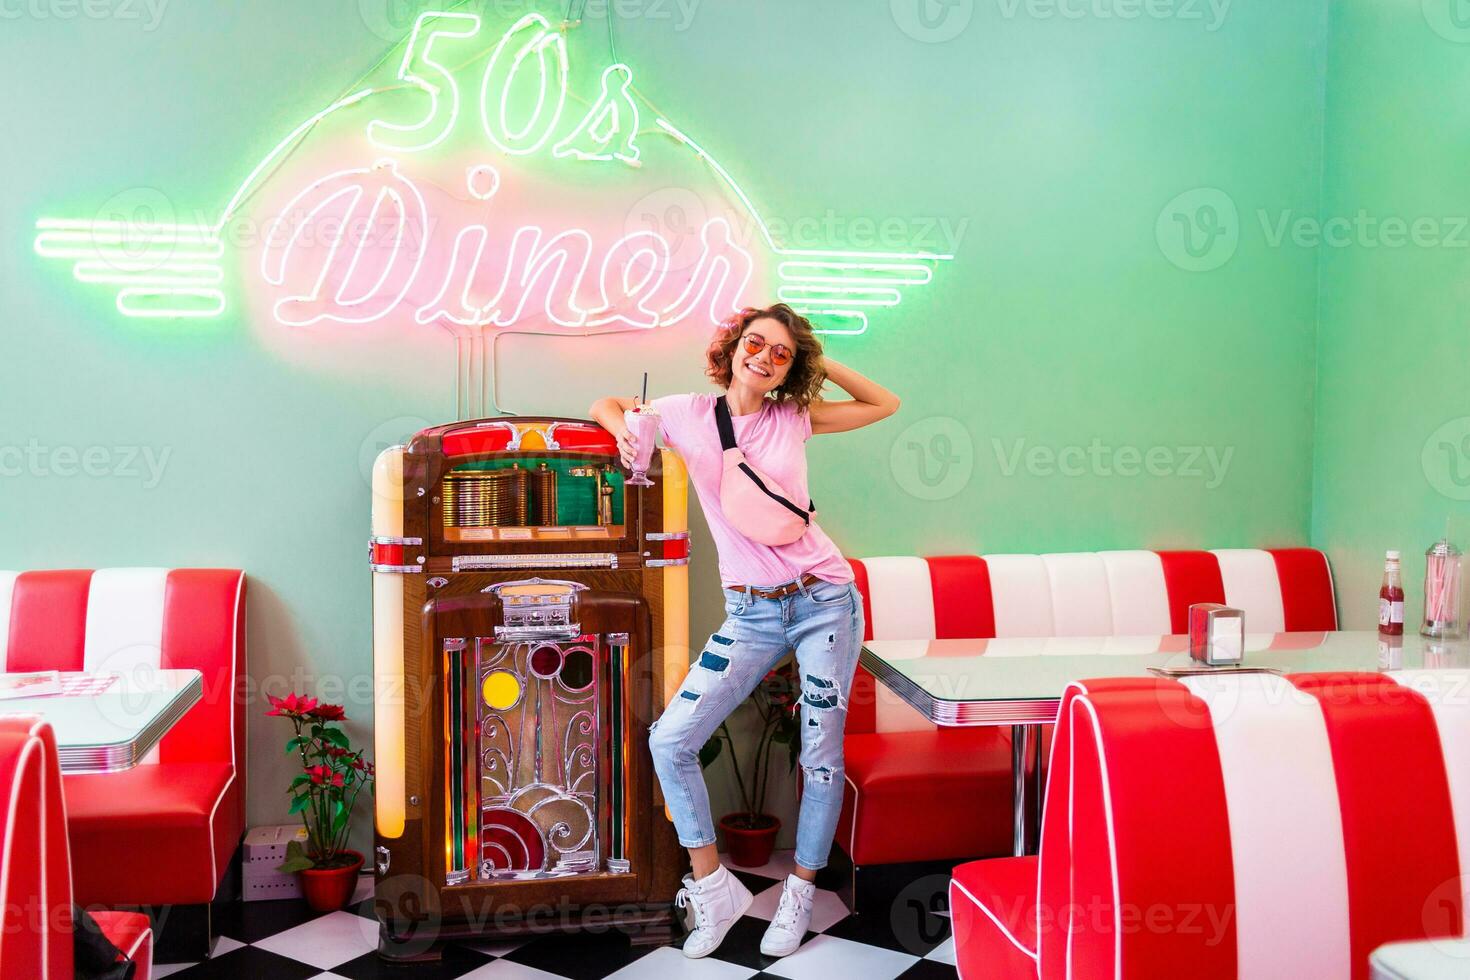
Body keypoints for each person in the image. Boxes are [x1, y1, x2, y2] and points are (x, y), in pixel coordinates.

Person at [589, 303, 899, 959]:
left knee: (819, 757)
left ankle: (800, 896)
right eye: (755, 343)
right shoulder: (685, 414)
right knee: (671, 739)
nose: (763, 357)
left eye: (781, 353)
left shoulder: (795, 417)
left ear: (791, 366)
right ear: (733, 346)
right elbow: (607, 401)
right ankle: (715, 888)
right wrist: (624, 428)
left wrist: (814, 360)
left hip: (825, 602)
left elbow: (883, 403)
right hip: (751, 612)